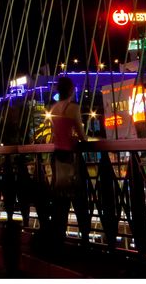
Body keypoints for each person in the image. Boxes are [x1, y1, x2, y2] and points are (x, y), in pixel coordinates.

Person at [47, 75, 90, 246]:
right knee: (79, 200)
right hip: (71, 158)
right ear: (71, 90)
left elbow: (54, 135)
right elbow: (81, 135)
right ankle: (85, 238)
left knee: (60, 203)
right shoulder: (73, 108)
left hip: (56, 158)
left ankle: (58, 238)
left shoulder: (54, 108)